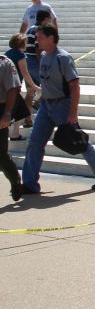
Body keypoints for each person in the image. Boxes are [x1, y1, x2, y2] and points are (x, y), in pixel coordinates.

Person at [21, 25, 95, 194]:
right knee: (35, 142)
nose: (36, 40)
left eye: (40, 37)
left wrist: (73, 112)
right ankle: (29, 183)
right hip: (46, 106)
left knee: (77, 140)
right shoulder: (44, 56)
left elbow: (75, 86)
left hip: (62, 105)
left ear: (51, 38)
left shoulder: (63, 58)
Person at [5, 34, 38, 141]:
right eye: (26, 42)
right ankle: (14, 134)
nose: (27, 44)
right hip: (13, 88)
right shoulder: (20, 55)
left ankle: (14, 134)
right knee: (20, 110)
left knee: (18, 110)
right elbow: (25, 72)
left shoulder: (7, 53)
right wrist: (34, 86)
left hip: (5, 87)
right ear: (21, 43)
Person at [23, 9, 53, 127]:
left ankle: (28, 120)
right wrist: (43, 64)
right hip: (34, 61)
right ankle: (38, 103)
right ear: (45, 19)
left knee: (30, 91)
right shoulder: (39, 30)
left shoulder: (31, 28)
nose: (50, 20)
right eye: (49, 18)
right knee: (48, 86)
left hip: (27, 60)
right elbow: (38, 49)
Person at [0, 53, 24, 201]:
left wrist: (7, 114)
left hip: (1, 109)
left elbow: (13, 89)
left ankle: (14, 179)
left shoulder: (4, 63)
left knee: (0, 154)